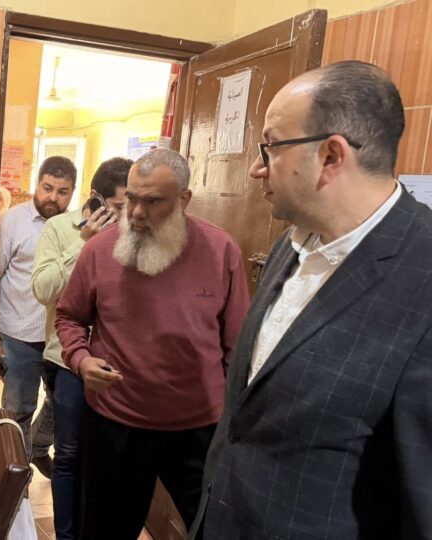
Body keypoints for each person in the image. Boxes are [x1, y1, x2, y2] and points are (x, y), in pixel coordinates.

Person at [190, 61, 432, 539]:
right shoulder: (292, 242)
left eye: (271, 147)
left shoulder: (422, 274)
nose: (257, 168)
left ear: (331, 155)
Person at [55, 149, 249, 540]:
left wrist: (231, 417)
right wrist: (81, 360)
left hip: (199, 428)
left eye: (153, 201)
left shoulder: (220, 250)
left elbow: (239, 345)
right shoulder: (99, 250)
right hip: (116, 423)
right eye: (132, 199)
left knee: (216, 530)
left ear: (184, 199)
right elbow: (69, 317)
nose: (137, 213)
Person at [31, 157, 130, 539]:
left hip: (117, 362)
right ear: (96, 199)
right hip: (68, 359)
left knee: (106, 454)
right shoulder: (59, 229)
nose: (128, 215)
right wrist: (84, 243)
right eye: (119, 206)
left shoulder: (136, 233)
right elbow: (44, 290)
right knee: (70, 453)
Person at [0, 156, 77, 477]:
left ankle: (38, 446)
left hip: (60, 336)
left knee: (60, 404)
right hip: (17, 334)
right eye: (47, 188)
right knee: (18, 411)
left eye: (62, 192)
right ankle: (16, 482)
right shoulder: (12, 221)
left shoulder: (78, 227)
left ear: (73, 192)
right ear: (36, 184)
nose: (53, 197)